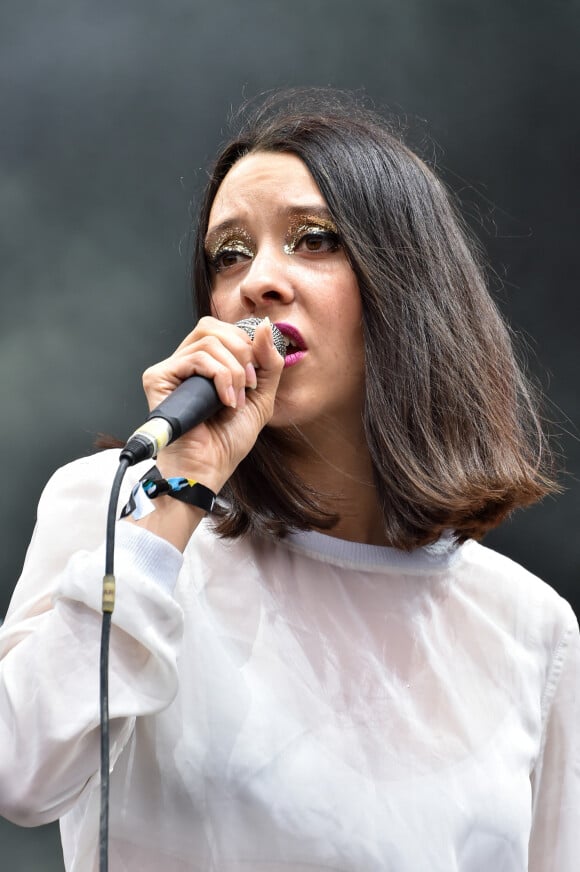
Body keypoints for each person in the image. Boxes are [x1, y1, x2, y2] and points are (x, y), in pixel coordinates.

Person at [0, 88, 578, 871]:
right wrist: (181, 488)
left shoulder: (529, 627)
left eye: (313, 239)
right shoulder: (115, 505)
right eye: (229, 254)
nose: (259, 281)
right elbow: (21, 776)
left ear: (408, 287)